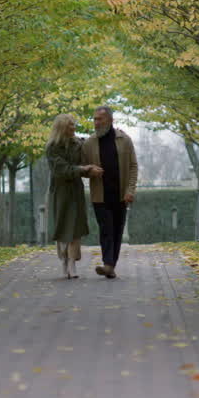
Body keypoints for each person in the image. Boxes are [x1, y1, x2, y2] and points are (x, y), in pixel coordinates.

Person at [80, 105, 137, 279]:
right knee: (106, 230)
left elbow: (133, 166)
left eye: (100, 119)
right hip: (100, 196)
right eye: (94, 119)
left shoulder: (124, 140)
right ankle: (107, 265)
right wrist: (90, 170)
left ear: (110, 120)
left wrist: (130, 190)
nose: (96, 123)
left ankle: (111, 266)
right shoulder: (89, 143)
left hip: (120, 195)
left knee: (117, 231)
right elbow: (81, 168)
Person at [45, 113, 100, 279]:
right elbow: (61, 170)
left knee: (75, 229)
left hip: (75, 191)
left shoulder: (78, 144)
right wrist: (83, 169)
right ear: (62, 128)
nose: (74, 128)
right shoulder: (52, 147)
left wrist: (89, 170)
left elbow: (87, 155)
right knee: (62, 228)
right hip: (60, 192)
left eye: (74, 125)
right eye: (70, 125)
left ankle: (72, 262)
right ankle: (63, 259)